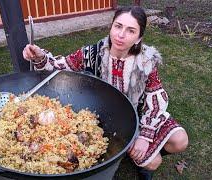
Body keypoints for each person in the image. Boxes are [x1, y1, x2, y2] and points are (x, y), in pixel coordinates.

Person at [23, 6, 188, 179]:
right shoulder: (93, 53)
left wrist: (145, 137)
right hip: (116, 120)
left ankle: (143, 150)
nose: (121, 35)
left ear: (139, 37)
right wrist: (40, 56)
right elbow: (61, 67)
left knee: (180, 141)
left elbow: (155, 98)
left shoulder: (145, 61)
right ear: (111, 27)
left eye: (130, 30)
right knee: (154, 162)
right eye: (118, 26)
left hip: (140, 113)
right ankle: (143, 161)